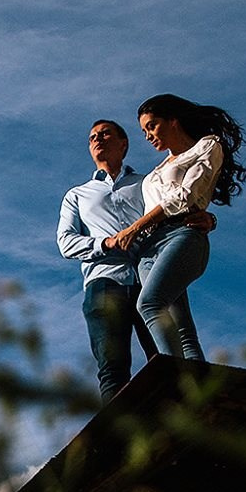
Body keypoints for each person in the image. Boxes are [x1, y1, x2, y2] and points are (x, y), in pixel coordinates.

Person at [58, 119, 205, 402]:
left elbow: (178, 207)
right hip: (105, 284)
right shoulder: (77, 195)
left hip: (152, 277)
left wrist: (207, 219)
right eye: (92, 138)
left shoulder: (147, 183)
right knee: (112, 369)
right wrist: (106, 243)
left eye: (105, 134)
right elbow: (66, 242)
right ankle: (118, 441)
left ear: (124, 143)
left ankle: (186, 425)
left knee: (169, 358)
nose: (97, 139)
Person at [102, 94, 246, 362]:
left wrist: (134, 228)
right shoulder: (157, 170)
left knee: (149, 304)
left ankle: (174, 380)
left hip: (182, 235)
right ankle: (197, 395)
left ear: (173, 121)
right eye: (144, 130)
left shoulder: (207, 146)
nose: (148, 135)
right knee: (182, 330)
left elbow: (185, 196)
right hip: (148, 250)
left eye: (152, 125)